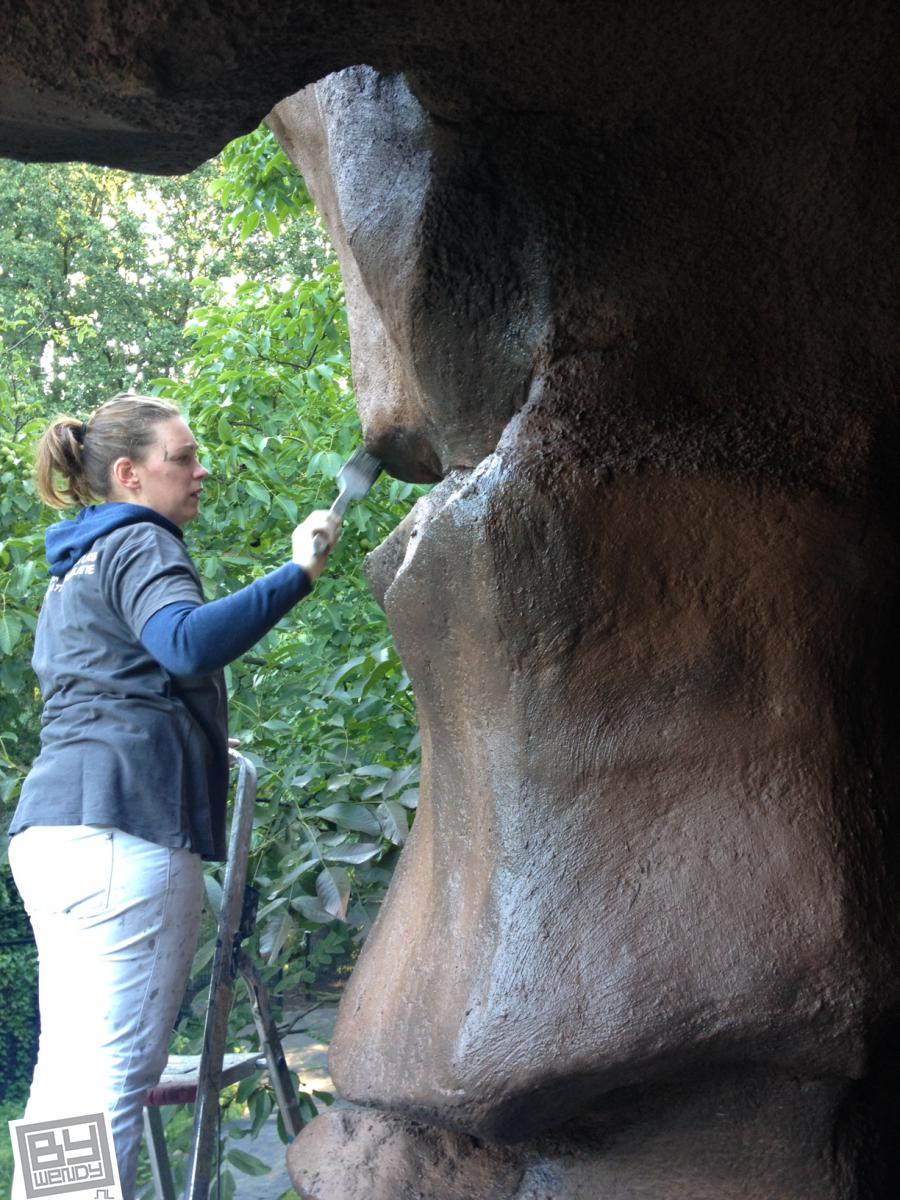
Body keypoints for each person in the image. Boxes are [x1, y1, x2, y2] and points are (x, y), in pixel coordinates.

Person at [7, 392, 341, 1199]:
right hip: (124, 832)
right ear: (129, 475)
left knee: (70, 1077)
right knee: (113, 1078)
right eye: (182, 459)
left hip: (52, 836)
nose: (201, 471)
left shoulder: (72, 571)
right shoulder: (140, 539)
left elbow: (116, 682)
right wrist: (297, 571)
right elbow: (185, 641)